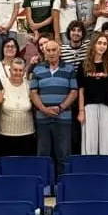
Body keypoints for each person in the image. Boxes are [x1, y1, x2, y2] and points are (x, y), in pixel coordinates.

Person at [29, 37, 78, 174]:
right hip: (42, 118)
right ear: (44, 52)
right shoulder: (37, 69)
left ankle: (63, 182)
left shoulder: (69, 69)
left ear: (59, 51)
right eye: (48, 50)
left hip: (63, 117)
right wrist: (43, 109)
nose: (51, 53)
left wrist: (61, 107)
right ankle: (44, 183)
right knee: (43, 153)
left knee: (64, 153)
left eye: (54, 50)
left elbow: (74, 92)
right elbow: (33, 93)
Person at [0, 53, 36, 164]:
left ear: (24, 72)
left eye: (20, 70)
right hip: (5, 135)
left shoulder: (29, 86)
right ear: (10, 70)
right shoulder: (1, 86)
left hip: (27, 135)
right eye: (15, 70)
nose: (18, 73)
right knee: (7, 165)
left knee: (25, 165)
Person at [78, 33, 108, 156]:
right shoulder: (83, 65)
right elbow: (81, 90)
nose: (102, 46)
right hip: (89, 107)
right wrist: (81, 111)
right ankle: (89, 166)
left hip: (107, 107)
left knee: (107, 143)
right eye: (99, 43)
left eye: (105, 44)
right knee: (90, 143)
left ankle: (107, 167)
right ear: (93, 45)